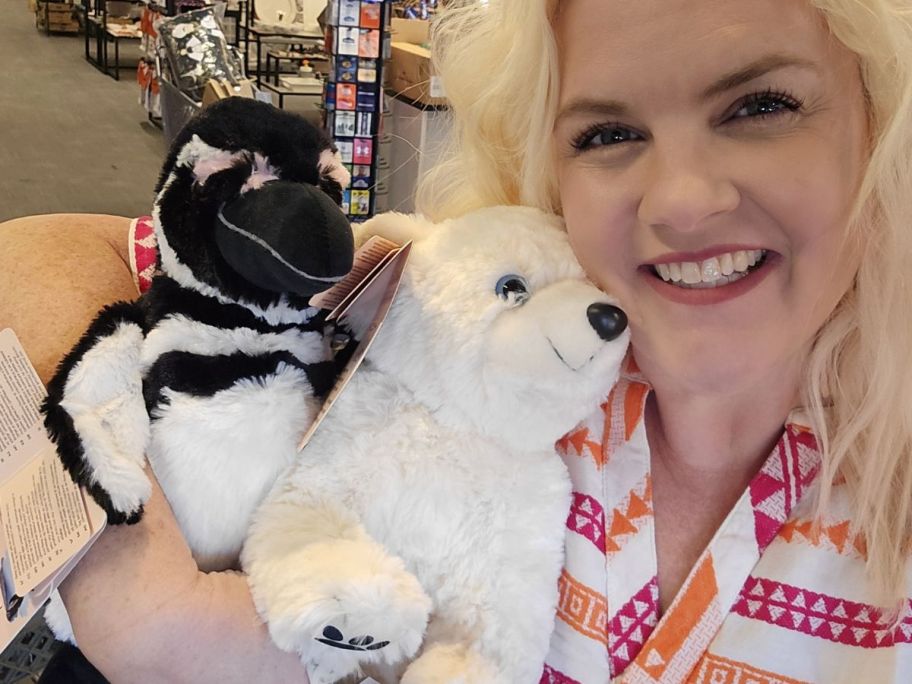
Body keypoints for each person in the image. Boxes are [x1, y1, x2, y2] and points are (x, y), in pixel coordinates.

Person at [0, 0, 909, 680]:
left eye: (760, 106)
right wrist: (146, 602)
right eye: (608, 131)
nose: (680, 199)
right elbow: (42, 252)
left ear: (881, 126)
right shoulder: (468, 334)